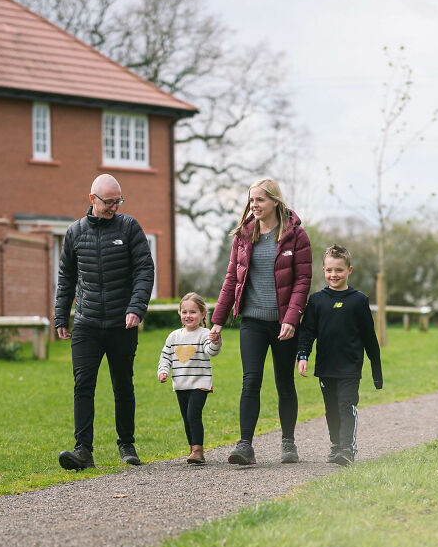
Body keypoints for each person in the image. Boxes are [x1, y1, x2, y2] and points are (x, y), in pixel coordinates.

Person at [54, 174, 155, 471]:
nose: (114, 207)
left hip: (121, 322)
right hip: (86, 322)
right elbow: (66, 278)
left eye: (118, 201)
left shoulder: (129, 227)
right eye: (109, 202)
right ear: (92, 199)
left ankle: (126, 444)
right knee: (83, 384)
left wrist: (136, 307)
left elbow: (144, 271)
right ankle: (83, 450)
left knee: (122, 384)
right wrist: (61, 314)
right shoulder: (74, 232)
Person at [209, 178, 312, 465]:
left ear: (275, 202)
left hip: (283, 324)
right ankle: (245, 445)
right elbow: (232, 278)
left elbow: (303, 280)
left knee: (284, 382)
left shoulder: (296, 236)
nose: (254, 205)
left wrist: (291, 319)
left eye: (260, 200)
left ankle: (288, 442)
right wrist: (217, 320)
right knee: (250, 380)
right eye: (251, 200)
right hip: (252, 322)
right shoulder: (243, 235)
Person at [297, 243, 383, 466]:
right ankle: (336, 445)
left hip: (350, 367)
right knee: (331, 410)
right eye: (329, 270)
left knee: (346, 406)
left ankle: (347, 449)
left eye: (339, 270)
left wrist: (376, 372)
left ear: (349, 271)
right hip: (326, 367)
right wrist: (303, 355)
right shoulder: (316, 301)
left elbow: (369, 338)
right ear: (323, 270)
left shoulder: (359, 301)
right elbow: (307, 332)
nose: (334, 275)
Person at [157, 292, 222, 465]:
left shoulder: (205, 333)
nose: (188, 316)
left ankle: (198, 451)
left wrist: (216, 341)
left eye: (193, 312)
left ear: (202, 314)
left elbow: (211, 352)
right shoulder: (174, 336)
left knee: (193, 414)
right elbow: (165, 357)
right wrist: (163, 371)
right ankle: (192, 448)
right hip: (180, 384)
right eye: (184, 312)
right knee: (186, 417)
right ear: (179, 313)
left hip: (200, 383)